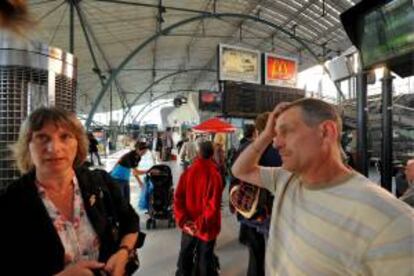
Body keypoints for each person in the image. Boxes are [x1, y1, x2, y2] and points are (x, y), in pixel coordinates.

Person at [232, 98, 414, 275]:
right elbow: (240, 170)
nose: (276, 143)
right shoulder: (285, 179)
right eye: (274, 134)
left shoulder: (392, 223)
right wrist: (265, 135)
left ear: (326, 132)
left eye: (286, 131)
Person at [0, 107, 140, 276]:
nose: (54, 148)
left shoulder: (100, 183)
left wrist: (123, 252)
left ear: (78, 143)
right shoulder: (11, 202)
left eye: (65, 136)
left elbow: (130, 220)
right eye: (42, 138)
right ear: (27, 146)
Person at [231, 114, 282, 276]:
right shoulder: (279, 150)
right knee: (276, 253)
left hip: (249, 208)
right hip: (271, 212)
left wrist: (236, 206)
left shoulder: (244, 149)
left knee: (255, 251)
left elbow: (234, 177)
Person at [174, 140, 223, 276]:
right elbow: (213, 207)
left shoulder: (188, 173)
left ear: (198, 153)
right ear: (212, 154)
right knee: (205, 259)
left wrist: (185, 221)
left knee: (185, 255)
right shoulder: (215, 176)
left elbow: (178, 199)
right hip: (207, 227)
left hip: (188, 225)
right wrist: (199, 224)